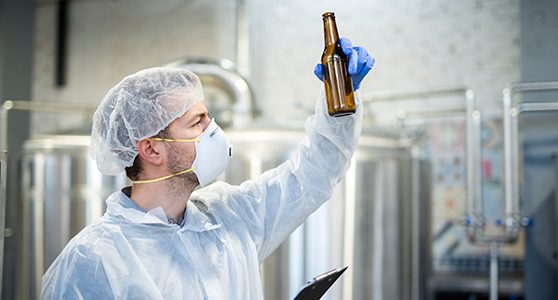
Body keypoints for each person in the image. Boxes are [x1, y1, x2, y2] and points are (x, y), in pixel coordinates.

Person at [40, 38, 374, 299]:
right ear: (152, 148)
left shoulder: (231, 217)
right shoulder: (95, 260)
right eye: (197, 123)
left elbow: (313, 174)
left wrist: (339, 99)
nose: (214, 131)